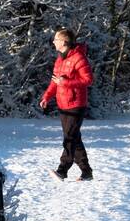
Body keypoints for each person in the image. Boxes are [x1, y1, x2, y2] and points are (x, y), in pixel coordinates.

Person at [39, 28, 94, 181]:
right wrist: (47, 97)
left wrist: (66, 82)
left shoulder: (79, 58)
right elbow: (55, 82)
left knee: (69, 138)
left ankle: (62, 171)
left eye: (56, 39)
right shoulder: (60, 59)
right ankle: (87, 172)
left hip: (76, 104)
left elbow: (88, 80)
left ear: (64, 42)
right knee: (74, 138)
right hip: (63, 104)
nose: (53, 42)